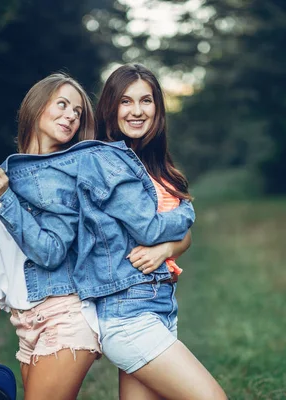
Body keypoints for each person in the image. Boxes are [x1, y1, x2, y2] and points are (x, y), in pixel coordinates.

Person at [91, 63, 227, 400]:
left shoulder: (161, 170)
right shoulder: (108, 162)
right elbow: (153, 230)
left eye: (146, 101)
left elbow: (185, 238)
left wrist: (165, 251)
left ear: (158, 107)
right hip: (128, 312)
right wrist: (185, 215)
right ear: (110, 108)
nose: (137, 111)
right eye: (125, 101)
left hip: (160, 305)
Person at [0, 73, 101, 400]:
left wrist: (5, 201)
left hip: (63, 318)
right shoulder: (8, 172)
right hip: (25, 326)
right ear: (37, 106)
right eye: (63, 104)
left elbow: (50, 252)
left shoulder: (66, 177)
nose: (72, 115)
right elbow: (1, 259)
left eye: (78, 112)